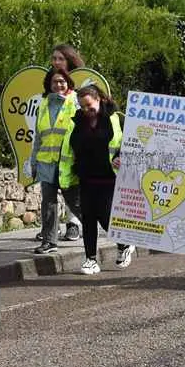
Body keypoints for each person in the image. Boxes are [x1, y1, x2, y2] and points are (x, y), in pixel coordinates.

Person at [58, 85, 135, 275]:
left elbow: (132, 143)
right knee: (89, 219)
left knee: (107, 217)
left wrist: (121, 156)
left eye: (89, 106)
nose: (86, 111)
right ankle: (90, 259)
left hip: (110, 178)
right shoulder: (76, 121)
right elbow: (68, 151)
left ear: (99, 99)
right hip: (86, 177)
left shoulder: (116, 119)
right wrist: (66, 178)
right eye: (82, 107)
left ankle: (124, 244)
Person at [31, 69, 83, 253]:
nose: (59, 85)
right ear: (49, 85)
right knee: (49, 204)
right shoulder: (44, 104)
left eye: (62, 81)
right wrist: (34, 161)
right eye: (55, 82)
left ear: (68, 82)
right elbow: (38, 136)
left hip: (67, 165)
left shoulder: (75, 102)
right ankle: (49, 242)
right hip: (46, 163)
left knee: (76, 204)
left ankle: (114, 235)